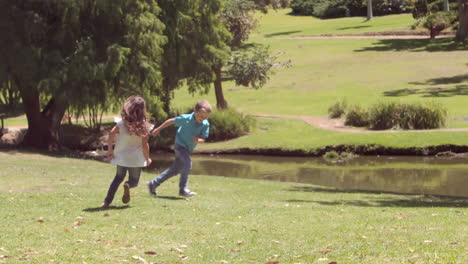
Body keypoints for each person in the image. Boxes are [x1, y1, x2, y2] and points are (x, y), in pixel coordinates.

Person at [147, 99, 211, 197]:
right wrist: (158, 129)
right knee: (187, 164)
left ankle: (153, 183)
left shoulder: (205, 124)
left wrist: (198, 140)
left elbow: (203, 139)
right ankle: (183, 189)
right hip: (180, 145)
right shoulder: (186, 119)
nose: (202, 118)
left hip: (188, 149)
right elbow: (171, 121)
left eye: (205, 117)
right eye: (200, 116)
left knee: (174, 170)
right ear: (195, 111)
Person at [101, 96, 153, 208]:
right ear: (143, 109)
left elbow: (111, 134)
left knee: (117, 178)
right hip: (135, 159)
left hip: (121, 157)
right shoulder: (145, 126)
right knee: (134, 180)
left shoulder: (122, 123)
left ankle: (106, 202)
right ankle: (128, 185)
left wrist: (110, 150)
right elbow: (145, 145)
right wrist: (147, 158)